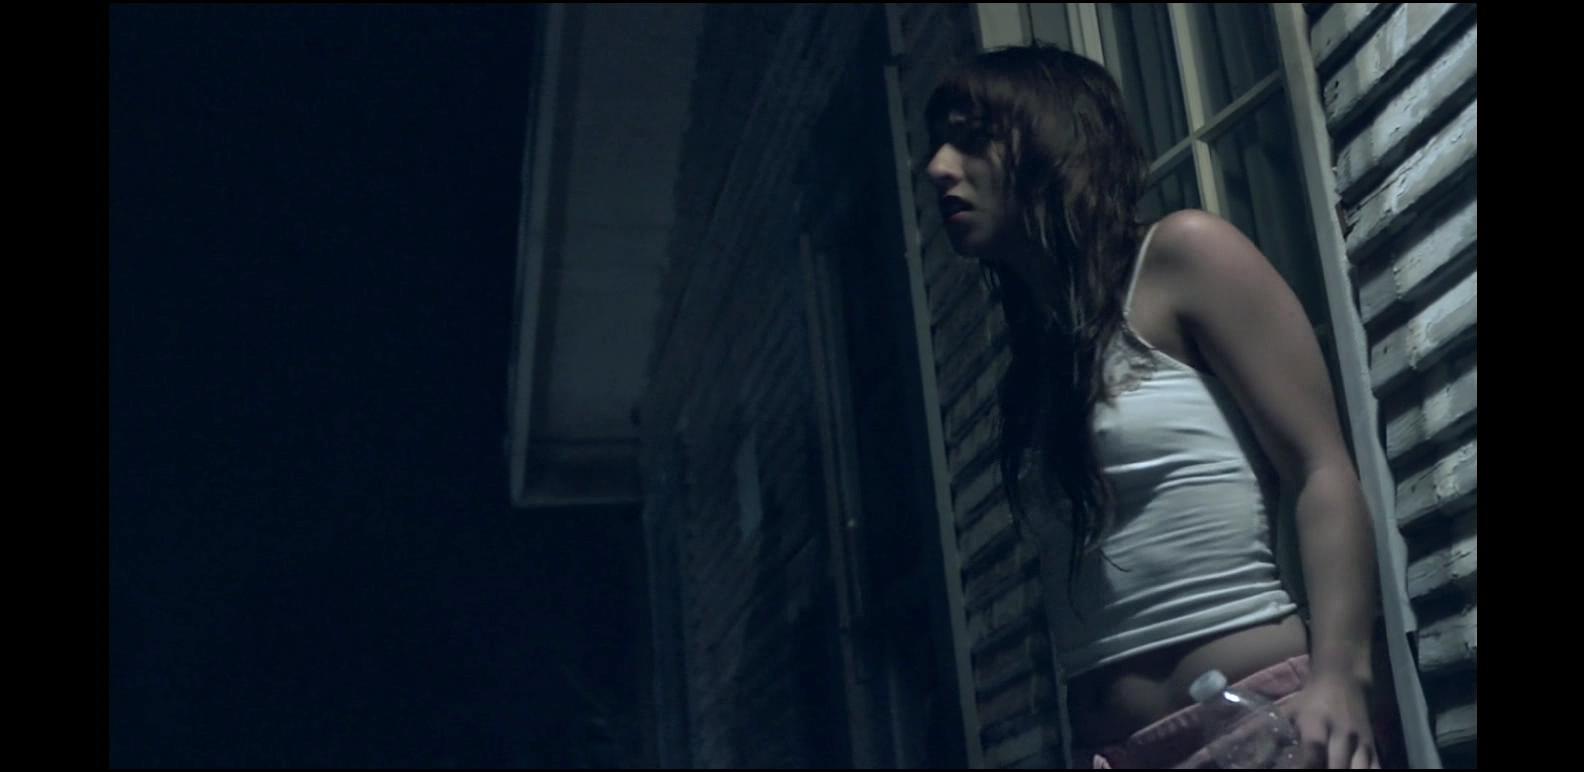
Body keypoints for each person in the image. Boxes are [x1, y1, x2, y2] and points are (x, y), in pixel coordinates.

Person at [924, 44, 1385, 769]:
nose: (938, 168)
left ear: (1051, 139)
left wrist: (1341, 677)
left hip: (1260, 728)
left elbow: (1321, 468)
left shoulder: (1183, 256)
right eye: (936, 145)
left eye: (971, 138)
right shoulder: (1041, 360)